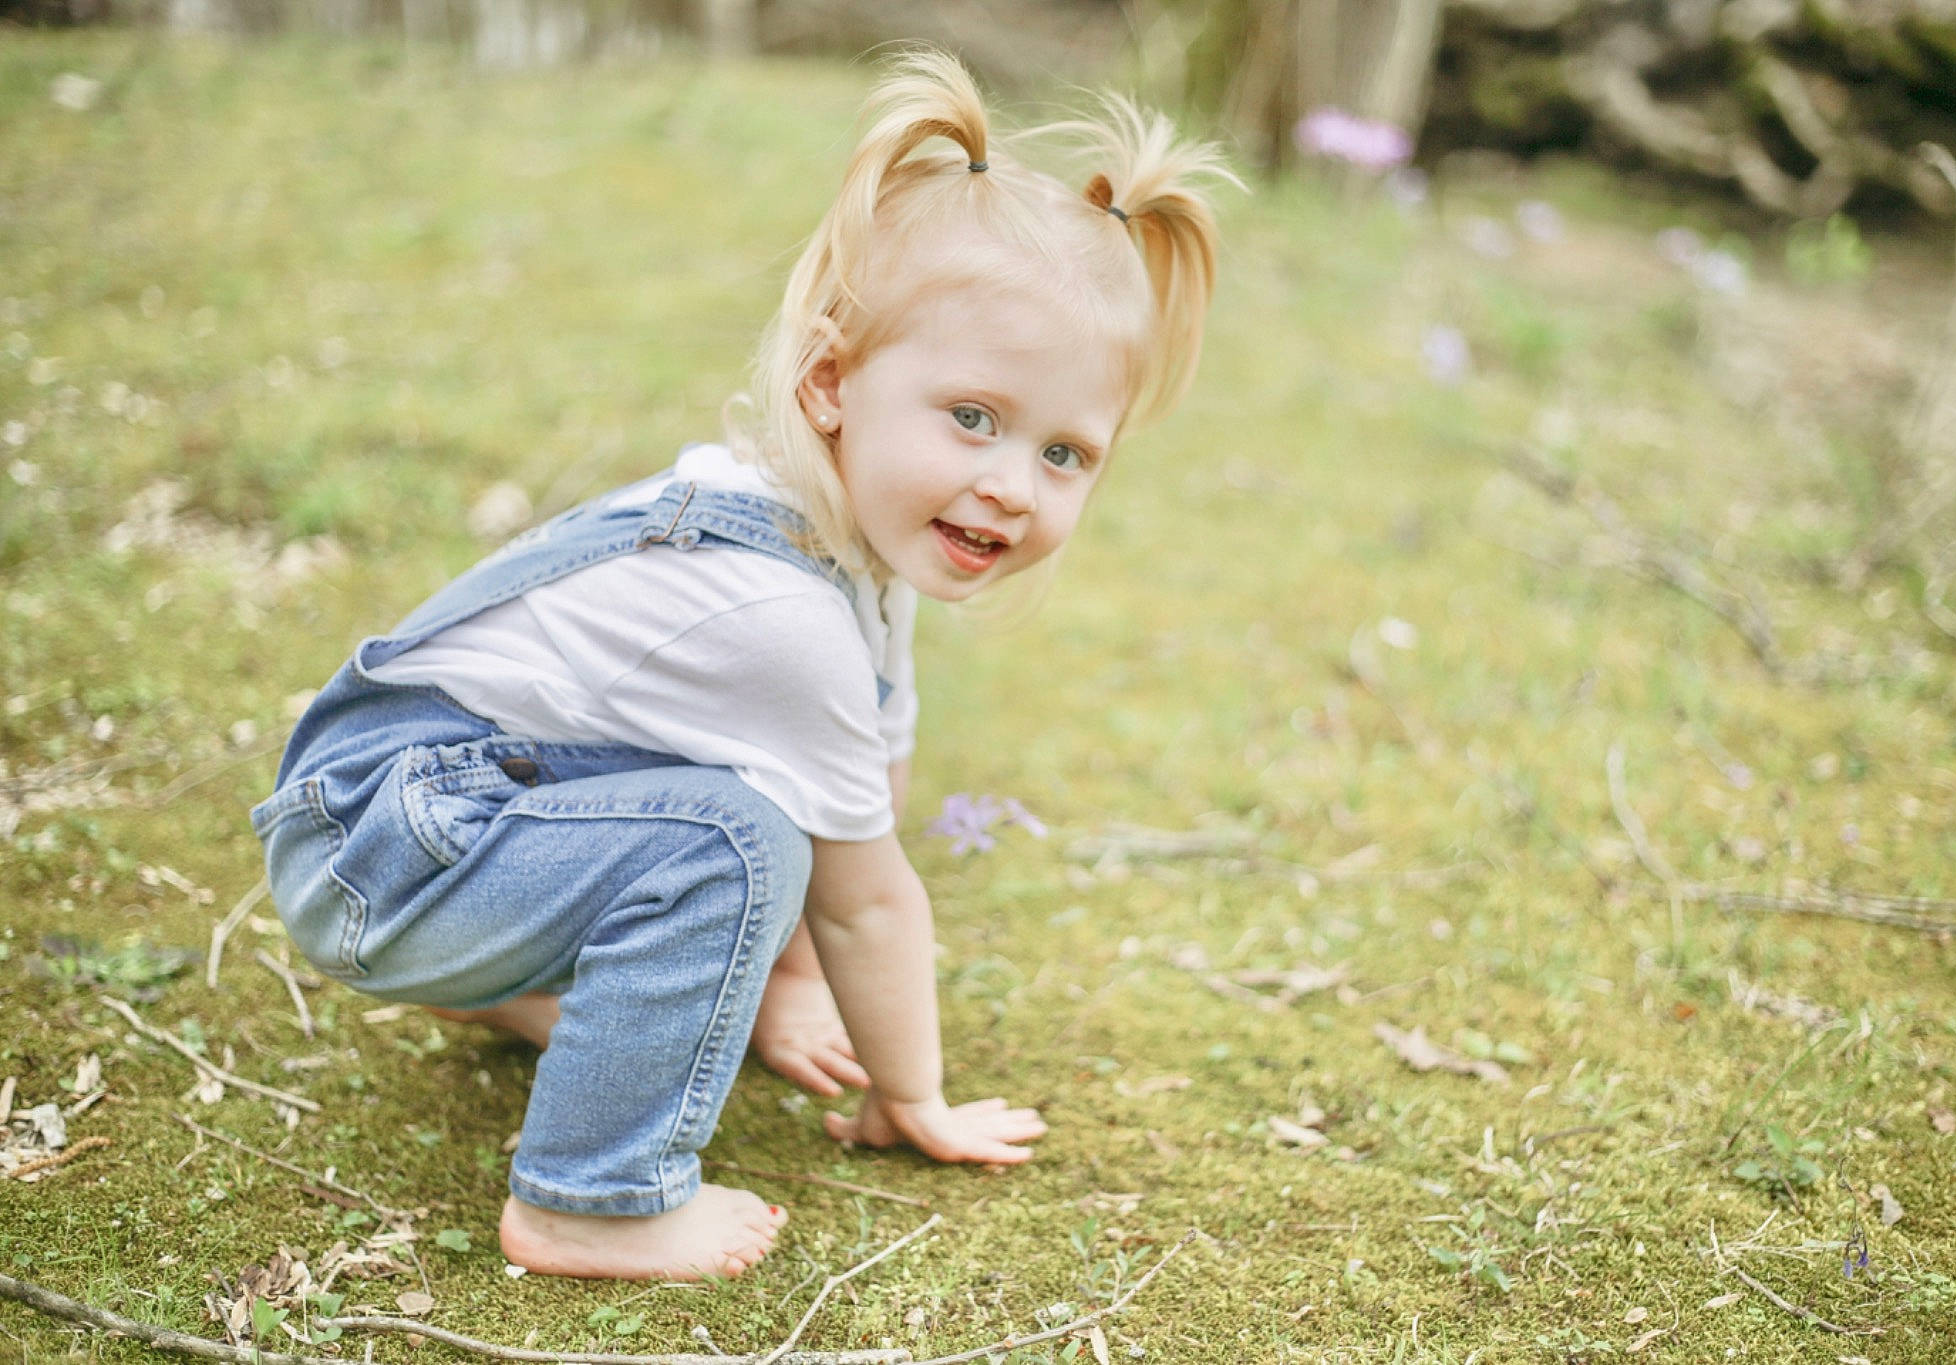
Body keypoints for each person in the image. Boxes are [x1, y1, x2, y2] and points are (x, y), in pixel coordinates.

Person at [250, 47, 1231, 1283]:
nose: (1008, 484)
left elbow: (863, 783)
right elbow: (863, 892)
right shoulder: (780, 614)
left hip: (440, 820)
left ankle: (500, 988)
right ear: (831, 384)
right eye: (973, 418)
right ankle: (585, 1203)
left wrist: (791, 992)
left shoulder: (854, 552)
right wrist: (909, 1096)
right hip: (381, 845)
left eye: (1065, 454)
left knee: (750, 814)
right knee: (729, 840)